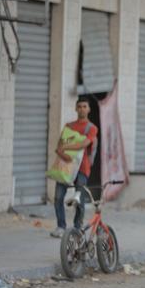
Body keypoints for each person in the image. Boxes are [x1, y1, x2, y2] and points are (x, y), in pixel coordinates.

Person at [50, 99, 98, 238]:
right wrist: (63, 154)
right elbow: (58, 147)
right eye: (79, 107)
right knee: (58, 197)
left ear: (89, 109)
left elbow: (84, 144)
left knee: (79, 199)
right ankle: (61, 226)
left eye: (85, 106)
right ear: (76, 109)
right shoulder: (68, 126)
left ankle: (77, 227)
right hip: (65, 166)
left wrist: (65, 148)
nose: (82, 109)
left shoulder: (91, 128)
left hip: (82, 168)